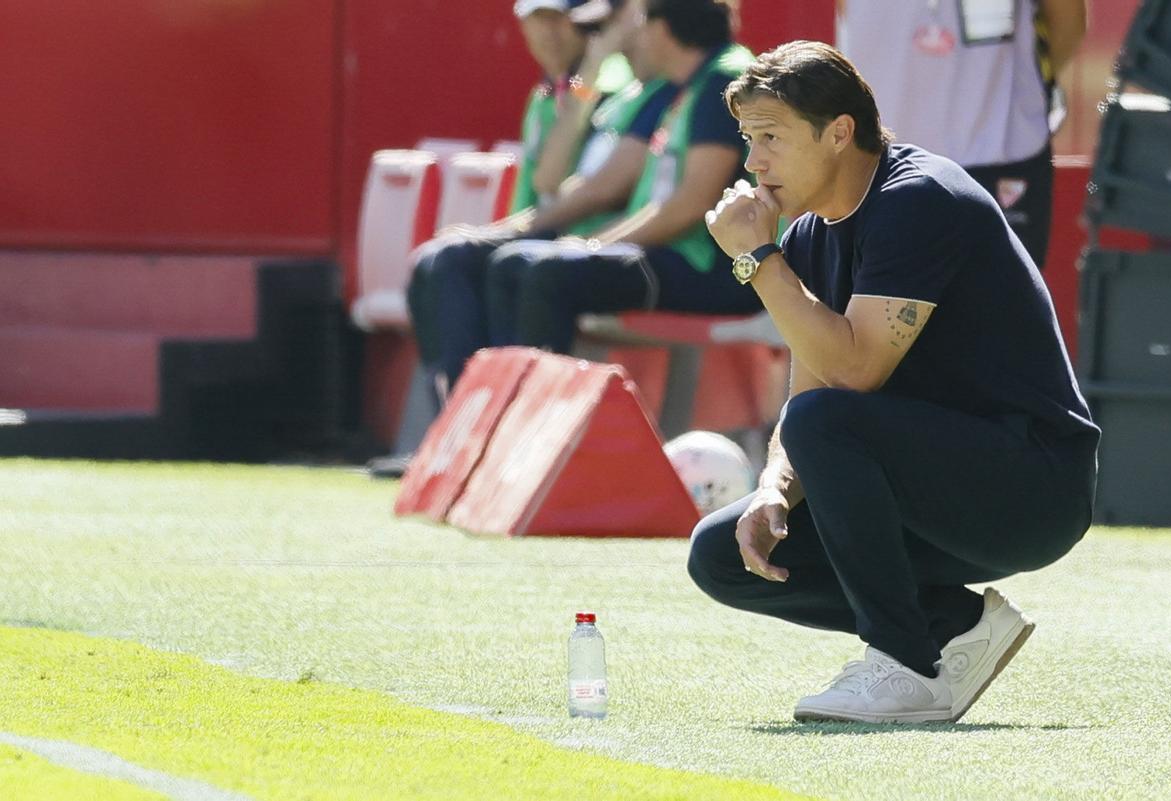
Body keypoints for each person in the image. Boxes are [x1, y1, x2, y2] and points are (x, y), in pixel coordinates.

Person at [689, 41, 1099, 724]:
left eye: (771, 138)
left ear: (840, 131)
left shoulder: (920, 197)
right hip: (933, 489)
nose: (753, 162)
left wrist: (757, 260)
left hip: (1031, 486)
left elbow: (852, 372)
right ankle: (956, 624)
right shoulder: (808, 239)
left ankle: (905, 664)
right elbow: (806, 399)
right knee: (722, 553)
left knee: (829, 419)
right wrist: (772, 490)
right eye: (747, 140)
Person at [406, 0, 676, 394]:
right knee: (435, 262)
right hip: (558, 231)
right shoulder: (563, 89)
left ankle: (488, 404)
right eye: (538, 20)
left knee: (467, 261)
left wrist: (588, 75)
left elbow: (573, 187)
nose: (551, 33)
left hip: (584, 237)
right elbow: (549, 184)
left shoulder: (612, 86)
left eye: (561, 20)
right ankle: (462, 407)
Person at [483, 0, 762, 358]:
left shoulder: (723, 82)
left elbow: (692, 204)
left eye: (642, 23)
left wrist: (595, 247)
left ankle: (544, 406)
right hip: (673, 257)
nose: (635, 36)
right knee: (516, 264)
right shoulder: (691, 84)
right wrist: (595, 244)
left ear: (662, 29)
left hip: (713, 270)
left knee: (547, 272)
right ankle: (507, 395)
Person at [836, 0, 1088, 268]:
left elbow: (1068, 20)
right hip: (877, 161)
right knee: (864, 304)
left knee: (996, 306)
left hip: (1001, 154)